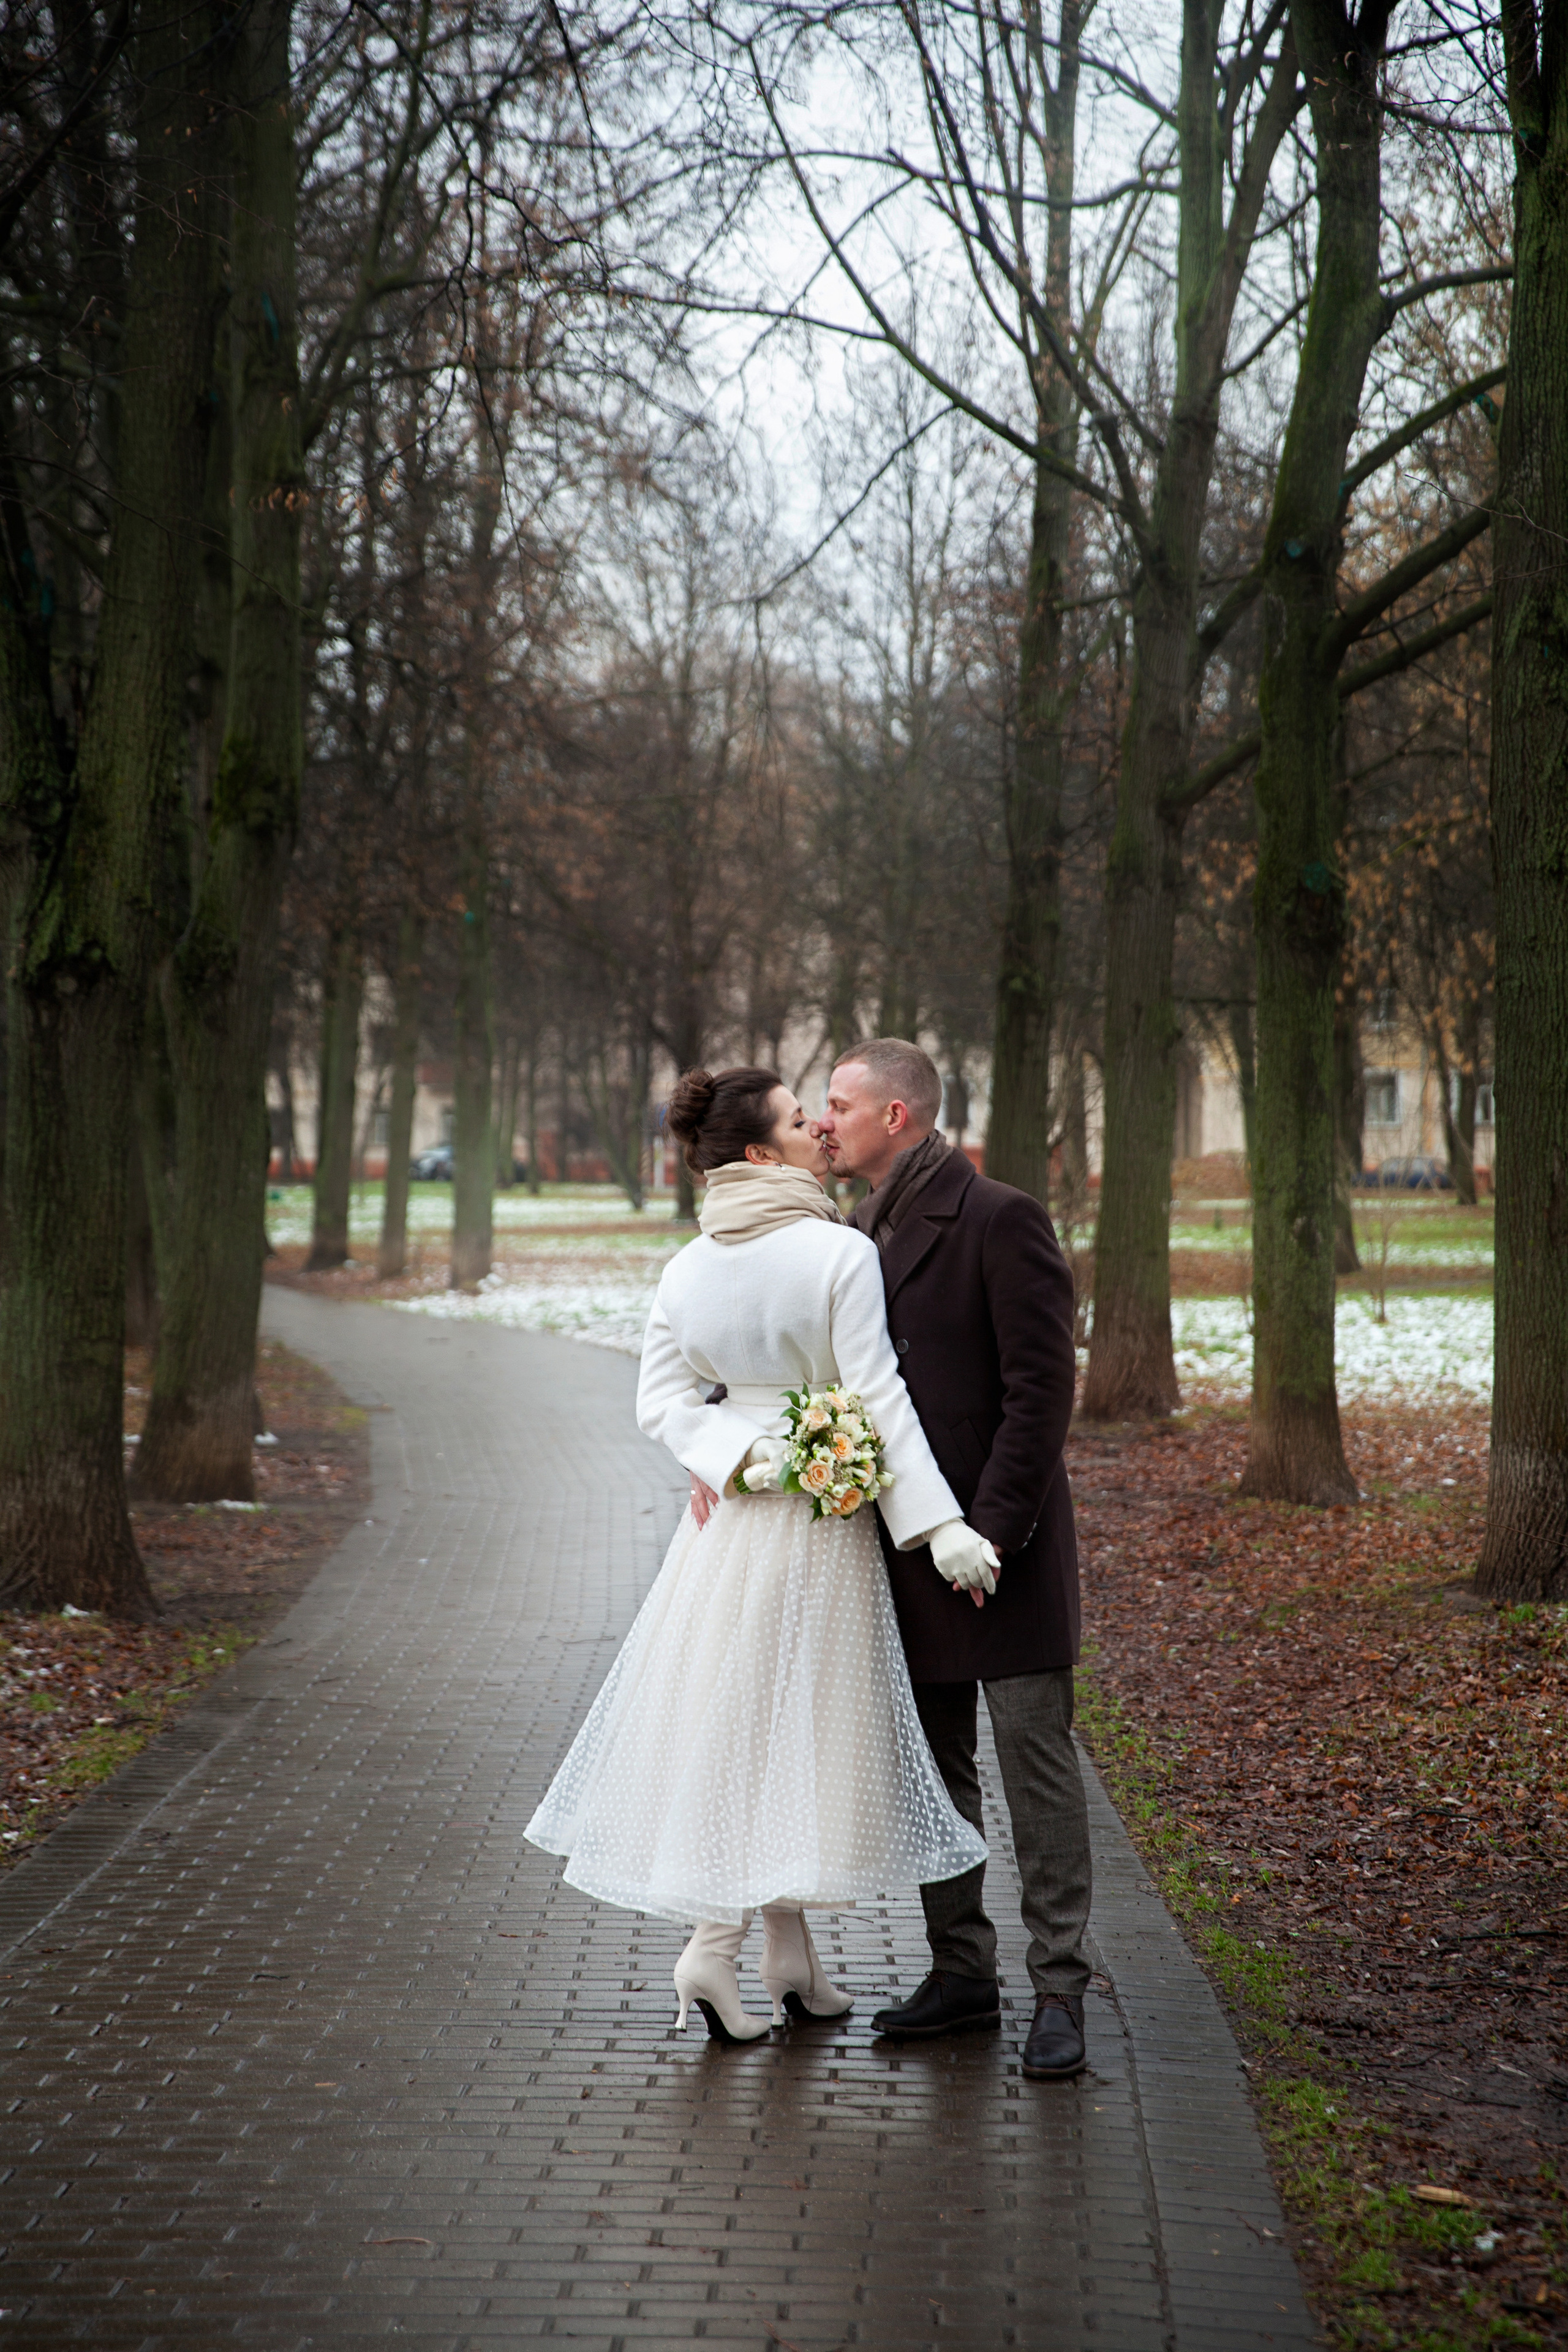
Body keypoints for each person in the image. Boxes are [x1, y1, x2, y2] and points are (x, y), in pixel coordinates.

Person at [524, 1065, 995, 2046]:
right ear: (757, 1152)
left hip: (727, 1534)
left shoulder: (686, 1266)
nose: (817, 1128)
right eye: (795, 1118)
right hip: (819, 1533)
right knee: (782, 1736)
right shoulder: (837, 1252)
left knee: (748, 1723)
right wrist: (939, 1525)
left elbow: (662, 1404)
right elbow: (878, 1396)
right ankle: (712, 1946)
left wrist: (738, 1459)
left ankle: (792, 1961)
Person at [692, 1040, 1090, 2081]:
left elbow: (1042, 1392)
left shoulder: (999, 1218)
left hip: (1005, 1550)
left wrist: (989, 1532)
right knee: (937, 1774)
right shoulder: (851, 1231)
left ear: (896, 1117)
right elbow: (786, 1362)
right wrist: (719, 1447)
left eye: (839, 1103)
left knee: (1037, 1770)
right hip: (905, 1552)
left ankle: (1061, 1989)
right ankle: (962, 1973)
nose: (824, 1122)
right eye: (817, 1108)